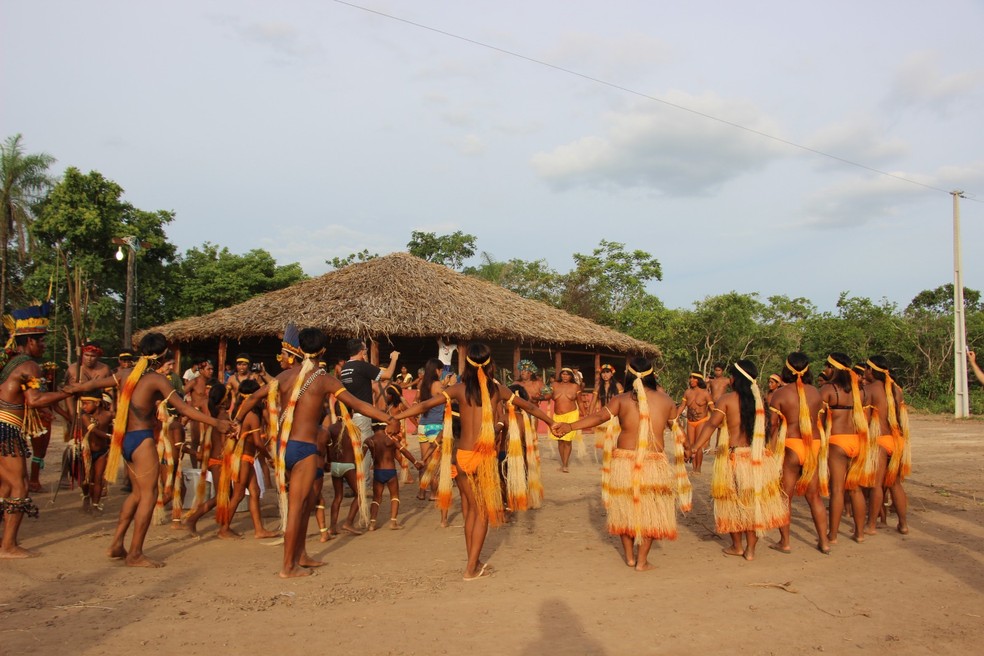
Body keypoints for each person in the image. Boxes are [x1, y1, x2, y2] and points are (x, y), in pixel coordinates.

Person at [236, 325, 399, 578]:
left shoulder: (284, 377)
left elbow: (252, 399)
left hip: (287, 448)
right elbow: (358, 405)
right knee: (298, 507)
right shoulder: (324, 380)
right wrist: (387, 418)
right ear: (323, 350)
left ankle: (300, 555)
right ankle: (287, 567)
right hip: (306, 451)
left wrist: (235, 422)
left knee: (305, 504)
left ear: (299, 349)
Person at [64, 332, 233, 567]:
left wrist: (70, 389)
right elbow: (183, 409)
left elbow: (91, 385)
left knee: (136, 494)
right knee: (149, 495)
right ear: (162, 355)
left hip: (125, 441)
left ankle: (116, 544)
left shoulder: (123, 374)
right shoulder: (156, 380)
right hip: (142, 440)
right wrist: (217, 423)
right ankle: (134, 553)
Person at [392, 342, 554, 580]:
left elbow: (425, 404)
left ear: (466, 364)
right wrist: (552, 423)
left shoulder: (458, 389)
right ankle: (471, 568)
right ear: (490, 364)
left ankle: (474, 561)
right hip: (483, 460)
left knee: (470, 512)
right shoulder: (497, 390)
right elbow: (528, 406)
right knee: (482, 514)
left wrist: (395, 415)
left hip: (462, 457)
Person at [553, 357, 689, 571]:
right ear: (652, 375)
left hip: (624, 461)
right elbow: (677, 430)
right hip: (654, 464)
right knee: (651, 513)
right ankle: (642, 561)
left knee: (624, 510)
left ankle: (629, 557)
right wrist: (689, 447)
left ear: (628, 375)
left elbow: (598, 418)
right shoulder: (666, 401)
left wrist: (569, 427)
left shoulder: (622, 399)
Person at [692, 359, 788, 561]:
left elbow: (710, 425)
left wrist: (695, 447)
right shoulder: (760, 400)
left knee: (731, 502)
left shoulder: (727, 400)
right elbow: (771, 429)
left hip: (735, 458)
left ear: (735, 379)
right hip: (757, 457)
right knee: (752, 502)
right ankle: (750, 550)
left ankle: (737, 546)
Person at [0, 301, 73, 558]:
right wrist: (66, 392)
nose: (43, 345)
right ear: (29, 341)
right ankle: (8, 546)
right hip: (6, 429)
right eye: (41, 341)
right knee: (19, 486)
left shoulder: (11, 363)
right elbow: (34, 400)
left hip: (4, 428)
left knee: (6, 487)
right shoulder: (30, 366)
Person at [769, 353, 830, 555]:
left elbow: (773, 426)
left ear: (786, 369)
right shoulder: (816, 393)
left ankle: (785, 542)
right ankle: (824, 542)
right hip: (813, 445)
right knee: (814, 497)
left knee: (785, 496)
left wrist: (770, 450)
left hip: (792, 445)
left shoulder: (780, 394)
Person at [820, 353, 869, 544]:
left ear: (833, 369)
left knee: (838, 490)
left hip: (837, 441)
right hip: (857, 441)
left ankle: (832, 535)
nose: (825, 370)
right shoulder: (861, 392)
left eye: (827, 366)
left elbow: (820, 420)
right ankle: (859, 533)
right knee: (855, 489)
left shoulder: (829, 390)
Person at [864, 356, 910, 535]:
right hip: (896, 440)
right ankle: (903, 524)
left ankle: (871, 525)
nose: (865, 372)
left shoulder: (869, 390)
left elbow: (865, 419)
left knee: (876, 485)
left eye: (867, 368)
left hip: (880, 441)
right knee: (895, 484)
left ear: (871, 370)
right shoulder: (897, 390)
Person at [339, 339, 399, 440]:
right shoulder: (362, 366)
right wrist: (394, 359)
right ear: (362, 351)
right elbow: (387, 375)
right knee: (365, 449)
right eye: (365, 349)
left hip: (349, 415)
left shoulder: (345, 368)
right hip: (363, 414)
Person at [365, 428, 424, 530]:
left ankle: (372, 523)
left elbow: (360, 456)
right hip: (390, 471)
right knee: (394, 496)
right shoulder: (391, 439)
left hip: (378, 472)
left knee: (376, 499)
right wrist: (415, 462)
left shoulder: (369, 440)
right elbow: (404, 451)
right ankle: (393, 522)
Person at [415, 358, 446, 500]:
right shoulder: (438, 385)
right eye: (441, 370)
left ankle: (421, 492)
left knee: (424, 461)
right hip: (435, 426)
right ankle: (434, 493)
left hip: (423, 425)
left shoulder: (422, 384)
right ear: (437, 370)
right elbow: (446, 399)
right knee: (435, 462)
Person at [78, 392, 113, 512]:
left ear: (97, 403)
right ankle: (86, 496)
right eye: (83, 404)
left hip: (102, 452)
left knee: (98, 478)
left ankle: (95, 504)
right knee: (87, 479)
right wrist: (110, 436)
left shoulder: (108, 415)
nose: (83, 407)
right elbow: (94, 431)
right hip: (87, 452)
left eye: (86, 404)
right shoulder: (85, 417)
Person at [548, 367, 582, 473]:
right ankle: (563, 462)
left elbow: (580, 401)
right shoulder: (554, 385)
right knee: (560, 440)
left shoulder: (575, 386)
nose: (565, 376)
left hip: (571, 415)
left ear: (571, 376)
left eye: (567, 374)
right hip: (558, 416)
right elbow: (547, 396)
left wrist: (584, 413)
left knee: (567, 440)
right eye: (563, 374)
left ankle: (565, 464)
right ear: (560, 375)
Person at [678, 373, 713, 474]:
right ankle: (694, 468)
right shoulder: (687, 392)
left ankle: (698, 468)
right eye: (690, 378)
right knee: (691, 445)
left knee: (698, 446)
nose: (691, 380)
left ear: (699, 380)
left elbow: (712, 408)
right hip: (690, 422)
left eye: (694, 378)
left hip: (701, 421)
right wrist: (675, 417)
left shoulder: (706, 393)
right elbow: (682, 406)